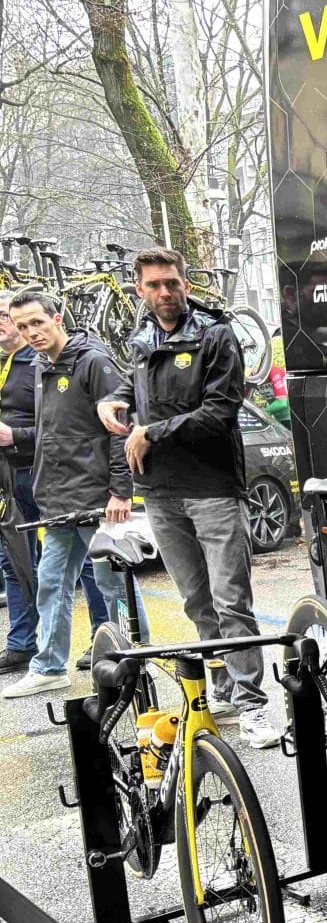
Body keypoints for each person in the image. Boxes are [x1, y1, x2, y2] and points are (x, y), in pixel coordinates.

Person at [97, 248, 278, 748]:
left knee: (231, 601)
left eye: (172, 283)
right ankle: (221, 690)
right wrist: (116, 401)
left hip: (215, 489)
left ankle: (254, 705)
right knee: (197, 602)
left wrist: (151, 432)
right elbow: (133, 391)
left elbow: (220, 411)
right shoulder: (139, 340)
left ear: (186, 285)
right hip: (160, 493)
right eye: (154, 285)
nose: (165, 293)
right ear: (140, 290)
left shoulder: (216, 335)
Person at [3, 290, 130, 698]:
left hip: (96, 498)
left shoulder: (93, 362)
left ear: (57, 318)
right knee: (52, 584)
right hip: (57, 499)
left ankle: (132, 656)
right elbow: (49, 434)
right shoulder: (42, 365)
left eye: (37, 322)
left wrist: (120, 491)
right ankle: (49, 666)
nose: (31, 332)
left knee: (113, 584)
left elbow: (119, 430)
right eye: (23, 326)